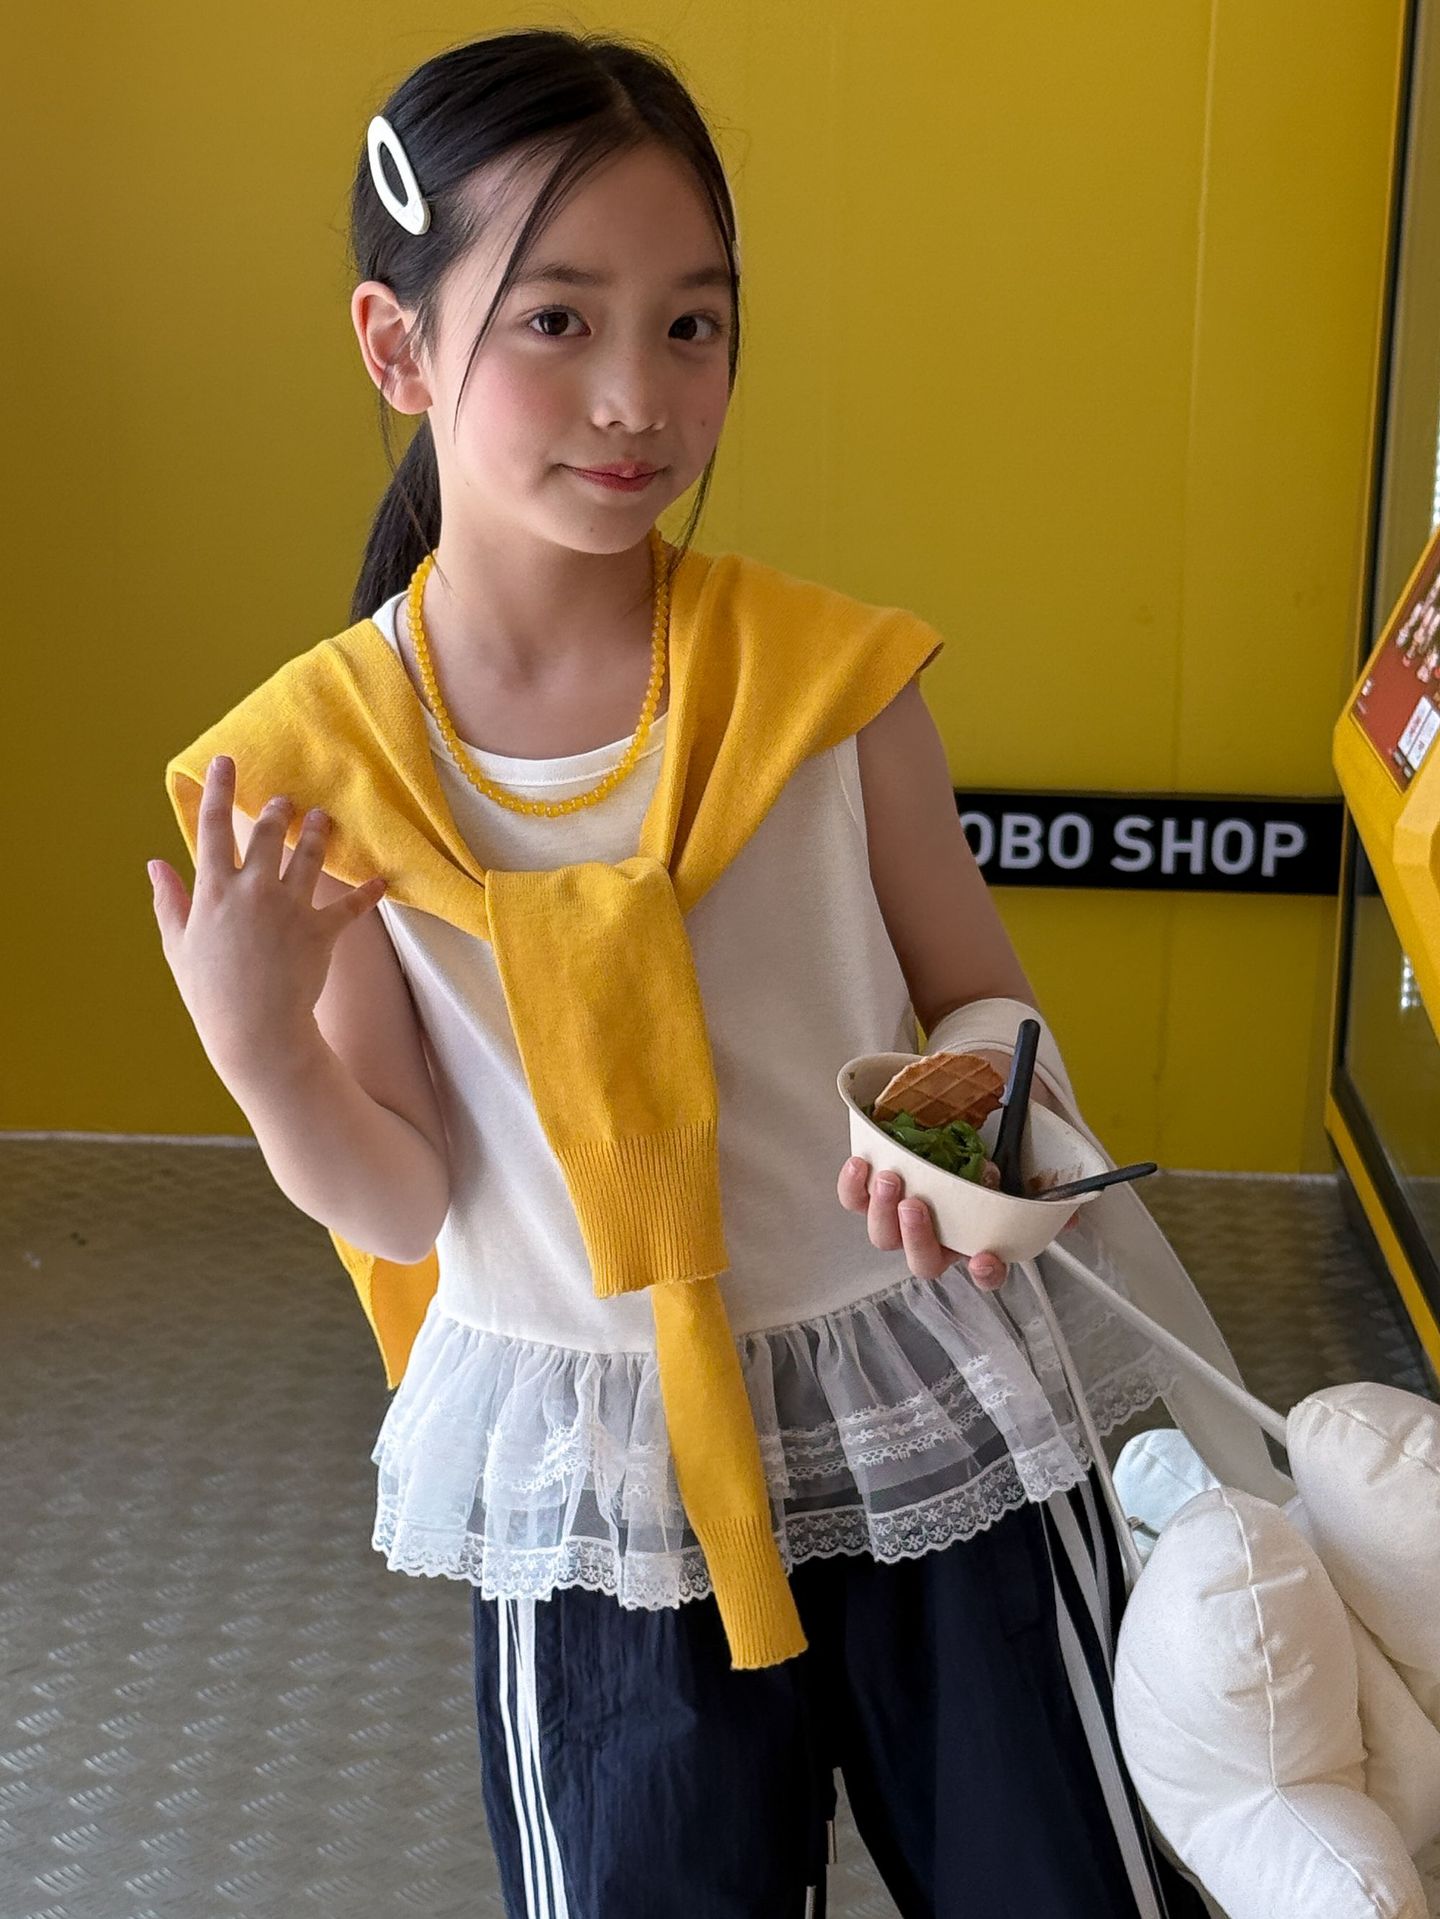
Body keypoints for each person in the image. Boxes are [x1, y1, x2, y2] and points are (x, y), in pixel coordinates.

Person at [148, 27, 1237, 1919]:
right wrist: (264, 1053)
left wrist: (969, 1131)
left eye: (693, 325)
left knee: (1059, 1881)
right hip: (598, 1488)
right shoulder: (322, 769)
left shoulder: (829, 685)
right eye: (555, 321)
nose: (636, 395)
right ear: (397, 346)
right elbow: (403, 1198)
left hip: (920, 1399)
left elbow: (984, 1004)